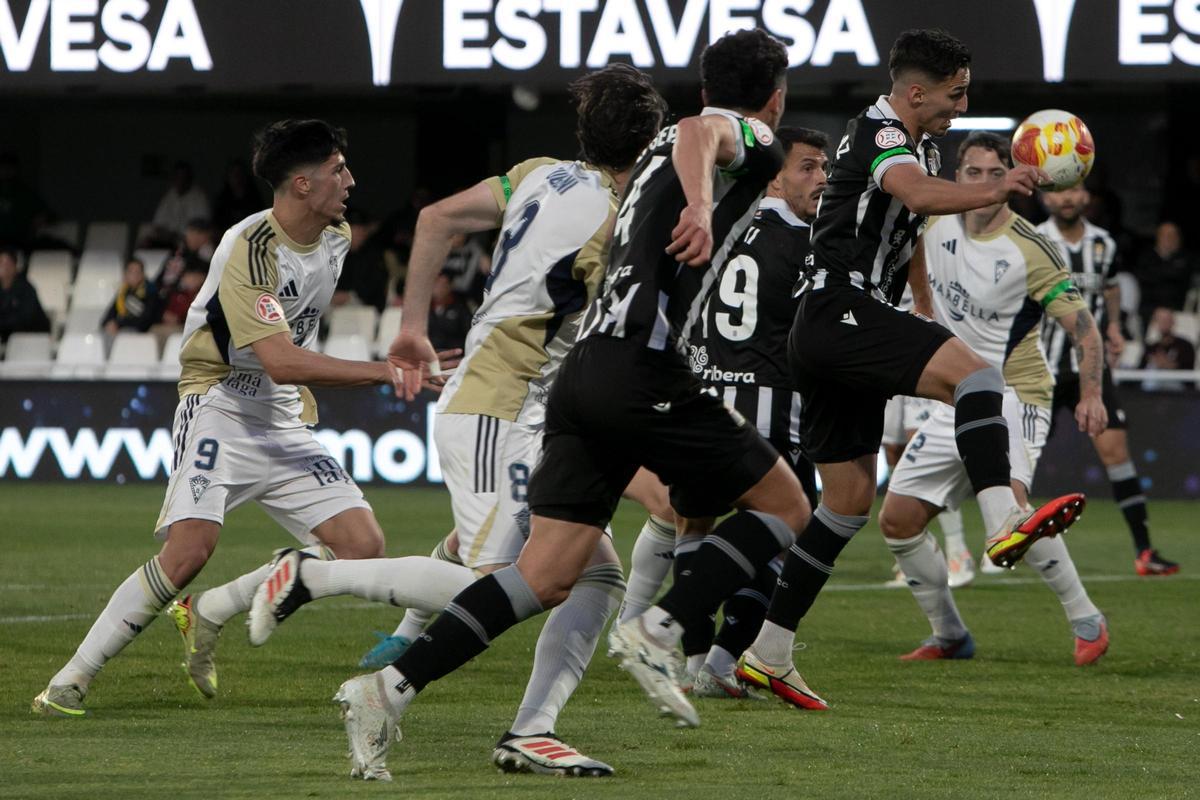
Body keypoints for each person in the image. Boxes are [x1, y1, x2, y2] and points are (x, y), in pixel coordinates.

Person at [305, 29, 807, 779]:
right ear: (776, 98)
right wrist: (703, 206)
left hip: (576, 380)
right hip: (631, 370)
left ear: (705, 85)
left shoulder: (606, 173)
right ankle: (662, 627)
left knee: (556, 576)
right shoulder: (736, 137)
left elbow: (685, 139)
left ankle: (398, 690)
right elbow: (703, 131)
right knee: (788, 505)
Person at [245, 64, 671, 779]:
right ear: (652, 144)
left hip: (522, 407)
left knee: (595, 572)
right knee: (505, 584)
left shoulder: (539, 174)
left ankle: (531, 730)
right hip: (498, 408)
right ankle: (312, 578)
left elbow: (435, 218)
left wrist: (412, 326)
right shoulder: (615, 225)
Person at [31, 119, 447, 718]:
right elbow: (280, 359)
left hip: (280, 413)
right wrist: (386, 371)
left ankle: (211, 609)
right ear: (302, 184)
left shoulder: (335, 235)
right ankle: (69, 680)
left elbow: (289, 353)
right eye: (338, 170)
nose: (351, 181)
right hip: (220, 404)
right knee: (188, 552)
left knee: (362, 546)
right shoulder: (249, 248)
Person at [734, 29, 1095, 709]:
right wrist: (999, 187)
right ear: (917, 92)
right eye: (957, 93)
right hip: (842, 310)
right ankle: (1001, 519)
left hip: (828, 327)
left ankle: (769, 652)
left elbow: (908, 220)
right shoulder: (879, 133)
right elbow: (918, 196)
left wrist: (921, 295)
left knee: (845, 503)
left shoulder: (920, 145)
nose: (963, 106)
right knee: (978, 377)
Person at [880, 132, 1110, 666]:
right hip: (955, 396)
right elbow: (912, 246)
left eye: (995, 173)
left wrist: (1092, 394)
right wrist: (922, 301)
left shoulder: (1030, 248)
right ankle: (950, 635)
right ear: (957, 177)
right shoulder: (935, 221)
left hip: (1014, 395)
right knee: (897, 521)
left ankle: (1086, 619)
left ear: (1014, 179)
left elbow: (1085, 330)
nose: (984, 182)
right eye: (973, 172)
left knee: (1012, 517)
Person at [616, 126, 828, 700]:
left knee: (692, 524)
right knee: (783, 532)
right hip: (773, 407)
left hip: (703, 402)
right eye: (808, 167)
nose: (821, 179)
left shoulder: (719, 226)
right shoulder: (810, 244)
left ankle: (689, 663)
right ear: (774, 178)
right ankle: (719, 659)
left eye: (824, 168)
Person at [1039, 187, 1180, 575]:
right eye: (1058, 191)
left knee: (1117, 454)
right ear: (1045, 198)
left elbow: (1111, 286)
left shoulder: (1104, 243)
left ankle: (1145, 552)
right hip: (1042, 367)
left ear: (1086, 194)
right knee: (1020, 457)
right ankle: (1000, 541)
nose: (1067, 198)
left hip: (1091, 368)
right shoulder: (1034, 240)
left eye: (1073, 188)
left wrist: (1114, 325)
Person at [1134, 222, 1197, 321]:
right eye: (1166, 235)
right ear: (1158, 237)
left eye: (1174, 235)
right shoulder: (1146, 258)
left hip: (1178, 311)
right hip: (1149, 310)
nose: (1170, 238)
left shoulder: (1187, 259)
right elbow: (1144, 283)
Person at [145, 161, 211, 246]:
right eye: (177, 177)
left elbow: (201, 229)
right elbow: (158, 224)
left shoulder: (199, 197)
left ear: (190, 179)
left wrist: (181, 236)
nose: (181, 181)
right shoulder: (169, 196)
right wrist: (167, 235)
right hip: (168, 241)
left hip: (190, 244)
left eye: (184, 177)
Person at [0, 246, 50, 342]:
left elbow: (25, 319)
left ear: (14, 266)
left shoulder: (26, 288)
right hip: (7, 338)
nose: (2, 267)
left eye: (6, 263)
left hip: (31, 338)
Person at [1140, 307, 1196, 390]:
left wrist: (1168, 365)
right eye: (1161, 320)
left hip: (1179, 390)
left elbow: (1188, 372)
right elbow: (1139, 371)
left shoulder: (1185, 346)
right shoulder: (1150, 348)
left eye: (1167, 320)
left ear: (1173, 322)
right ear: (1154, 323)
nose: (1164, 323)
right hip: (1150, 389)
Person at [102, 258, 160, 335]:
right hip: (124, 328)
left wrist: (118, 324)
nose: (135, 275)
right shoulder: (123, 292)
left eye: (138, 272)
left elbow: (146, 320)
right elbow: (109, 316)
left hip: (143, 332)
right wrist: (109, 323)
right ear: (125, 275)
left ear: (143, 275)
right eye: (131, 272)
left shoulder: (151, 291)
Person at [212, 159, 267, 233]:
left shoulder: (254, 198)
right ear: (228, 177)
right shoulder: (222, 202)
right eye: (234, 174)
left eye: (240, 173)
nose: (238, 178)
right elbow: (218, 228)